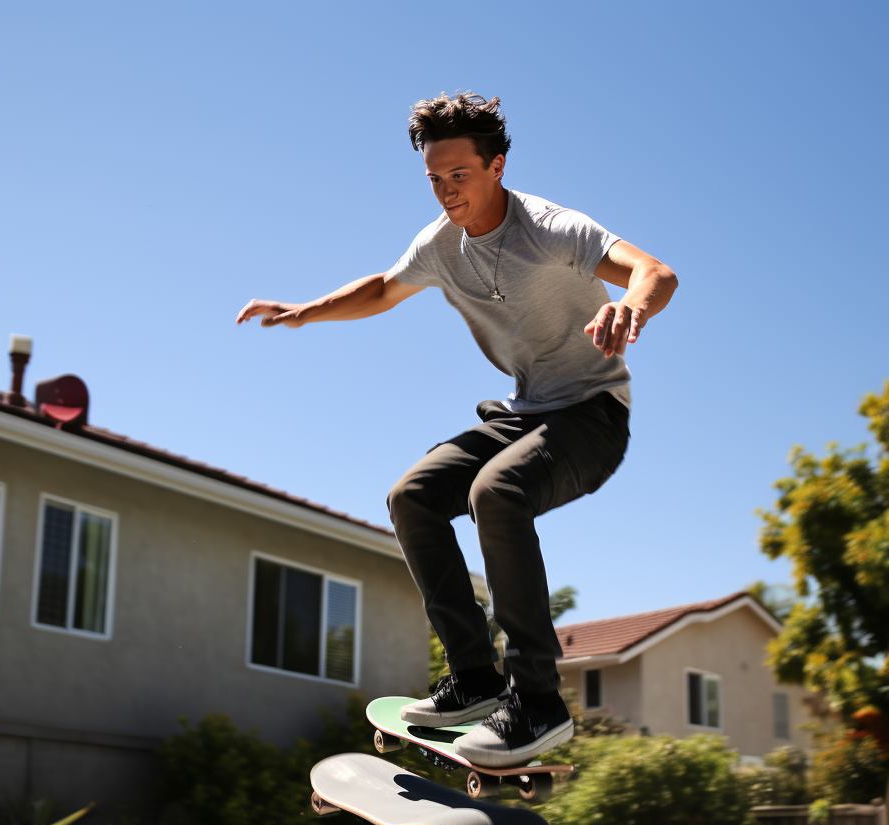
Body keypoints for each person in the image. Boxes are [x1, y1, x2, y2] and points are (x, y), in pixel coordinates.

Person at [237, 92, 677, 767]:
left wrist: (630, 309)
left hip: (592, 415)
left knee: (495, 494)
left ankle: (537, 701)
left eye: (459, 176)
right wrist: (305, 311)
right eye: (435, 180)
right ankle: (475, 677)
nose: (447, 193)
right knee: (411, 497)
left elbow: (656, 271)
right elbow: (383, 289)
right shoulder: (441, 246)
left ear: (496, 166)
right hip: (523, 412)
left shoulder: (553, 227)